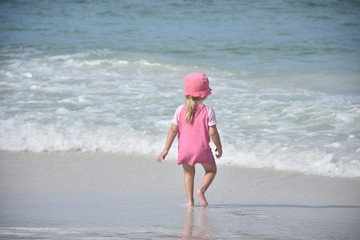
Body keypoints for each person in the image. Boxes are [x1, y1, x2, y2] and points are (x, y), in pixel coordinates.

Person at [157, 73, 223, 207]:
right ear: (205, 94)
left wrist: (165, 150)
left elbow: (173, 130)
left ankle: (190, 201)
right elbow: (213, 132)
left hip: (185, 150)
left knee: (188, 174)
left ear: (187, 94)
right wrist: (219, 147)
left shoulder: (180, 109)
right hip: (202, 149)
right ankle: (201, 190)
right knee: (211, 171)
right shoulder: (208, 111)